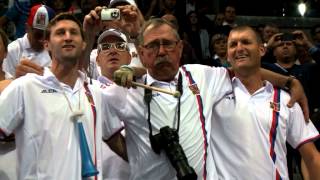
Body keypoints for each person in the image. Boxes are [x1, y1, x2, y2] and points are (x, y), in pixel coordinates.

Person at [109, 18, 308, 180]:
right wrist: (137, 157)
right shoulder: (125, 88)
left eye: (168, 44)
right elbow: (106, 133)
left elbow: (245, 69)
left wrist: (289, 82)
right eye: (153, 46)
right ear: (142, 53)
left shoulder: (203, 76)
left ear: (179, 48)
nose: (161, 51)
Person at [0, 12, 121, 179]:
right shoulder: (25, 86)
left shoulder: (96, 93)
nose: (68, 37)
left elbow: (117, 142)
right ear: (47, 44)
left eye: (73, 32)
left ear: (84, 44)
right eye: (60, 33)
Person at [209, 26, 320, 180]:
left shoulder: (286, 100)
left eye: (246, 42)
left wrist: (289, 82)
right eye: (233, 45)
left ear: (262, 50)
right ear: (228, 55)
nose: (239, 48)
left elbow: (312, 157)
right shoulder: (212, 92)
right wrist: (289, 81)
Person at [95, 28, 131, 180]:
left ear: (130, 58)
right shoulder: (88, 91)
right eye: (105, 48)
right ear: (97, 60)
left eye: (120, 46)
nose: (113, 51)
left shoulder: (143, 90)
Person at [2, 4, 55, 79]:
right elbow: (5, 85)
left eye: (47, 35)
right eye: (38, 35)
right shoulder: (12, 50)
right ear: (27, 28)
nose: (43, 40)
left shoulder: (56, 49)